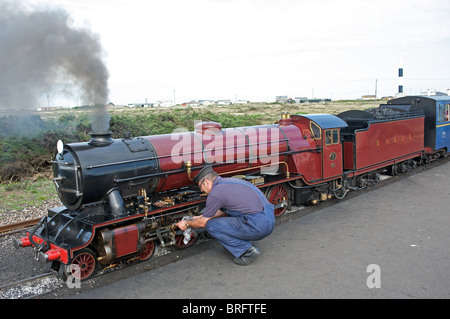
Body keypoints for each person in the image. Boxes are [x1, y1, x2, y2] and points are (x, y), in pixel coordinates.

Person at [175, 165, 275, 265]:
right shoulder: (231, 182)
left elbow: (202, 223)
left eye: (200, 186)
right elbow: (224, 210)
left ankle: (247, 252)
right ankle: (243, 243)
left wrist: (187, 224)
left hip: (258, 226)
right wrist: (201, 217)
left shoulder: (216, 193)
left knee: (211, 225)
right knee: (227, 215)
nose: (201, 190)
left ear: (206, 182)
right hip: (269, 219)